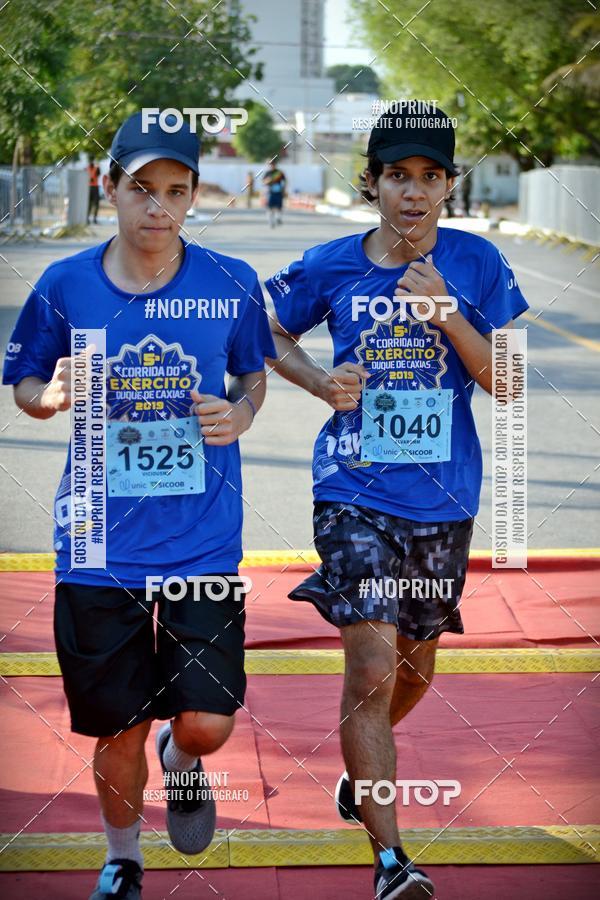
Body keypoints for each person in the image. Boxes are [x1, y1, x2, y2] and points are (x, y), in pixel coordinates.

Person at [3, 111, 276, 900]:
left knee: (207, 722)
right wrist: (45, 396)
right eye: (141, 189)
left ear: (193, 198)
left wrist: (244, 412)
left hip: (202, 542)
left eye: (176, 192)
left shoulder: (228, 283)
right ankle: (122, 858)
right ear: (110, 186)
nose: (157, 208)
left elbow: (252, 373)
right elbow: (23, 378)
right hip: (94, 539)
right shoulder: (66, 283)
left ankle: (183, 759)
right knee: (114, 724)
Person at [265, 105, 528, 899]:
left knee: (415, 668)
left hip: (443, 500)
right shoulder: (332, 263)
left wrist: (448, 313)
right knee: (373, 668)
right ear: (372, 183)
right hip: (352, 491)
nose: (412, 193)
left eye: (429, 178)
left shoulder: (478, 265)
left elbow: (509, 381)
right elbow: (266, 329)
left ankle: (359, 777)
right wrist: (318, 380)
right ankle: (391, 863)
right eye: (396, 177)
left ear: (448, 186)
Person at [262, 159, 286, 227]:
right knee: (270, 207)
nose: (272, 165)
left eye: (273, 164)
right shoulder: (267, 173)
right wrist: (268, 181)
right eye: (270, 164)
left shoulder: (279, 172)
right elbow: (263, 182)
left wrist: (284, 190)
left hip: (278, 192)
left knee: (279, 206)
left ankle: (278, 218)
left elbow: (285, 181)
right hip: (270, 192)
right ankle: (271, 221)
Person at [87, 156, 101, 224]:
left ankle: (94, 219)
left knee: (96, 204)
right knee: (88, 204)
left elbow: (98, 173)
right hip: (89, 188)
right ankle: (87, 218)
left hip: (95, 187)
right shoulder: (86, 169)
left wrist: (98, 165)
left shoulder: (96, 168)